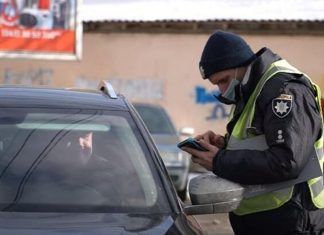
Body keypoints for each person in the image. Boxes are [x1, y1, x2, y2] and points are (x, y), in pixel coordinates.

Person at [181, 31, 324, 235]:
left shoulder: (283, 90)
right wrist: (223, 144)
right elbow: (261, 141)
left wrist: (220, 160)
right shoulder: (250, 90)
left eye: (223, 80)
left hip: (291, 220)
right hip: (265, 220)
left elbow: (287, 160)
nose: (222, 90)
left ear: (240, 65)